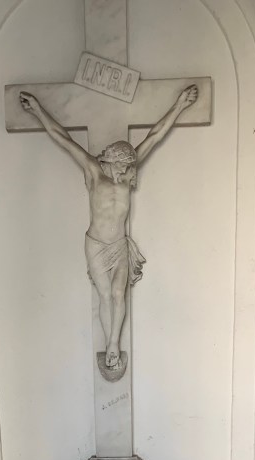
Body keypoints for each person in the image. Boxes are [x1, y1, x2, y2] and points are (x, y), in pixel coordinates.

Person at [19, 85, 198, 369]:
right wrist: (38, 110)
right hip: (96, 245)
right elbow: (63, 138)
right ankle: (109, 343)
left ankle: (114, 343)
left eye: (128, 167)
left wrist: (180, 105)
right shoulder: (92, 171)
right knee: (104, 295)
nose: (127, 172)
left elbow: (154, 136)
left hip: (119, 244)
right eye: (122, 167)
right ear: (111, 161)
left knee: (118, 293)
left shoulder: (126, 175)